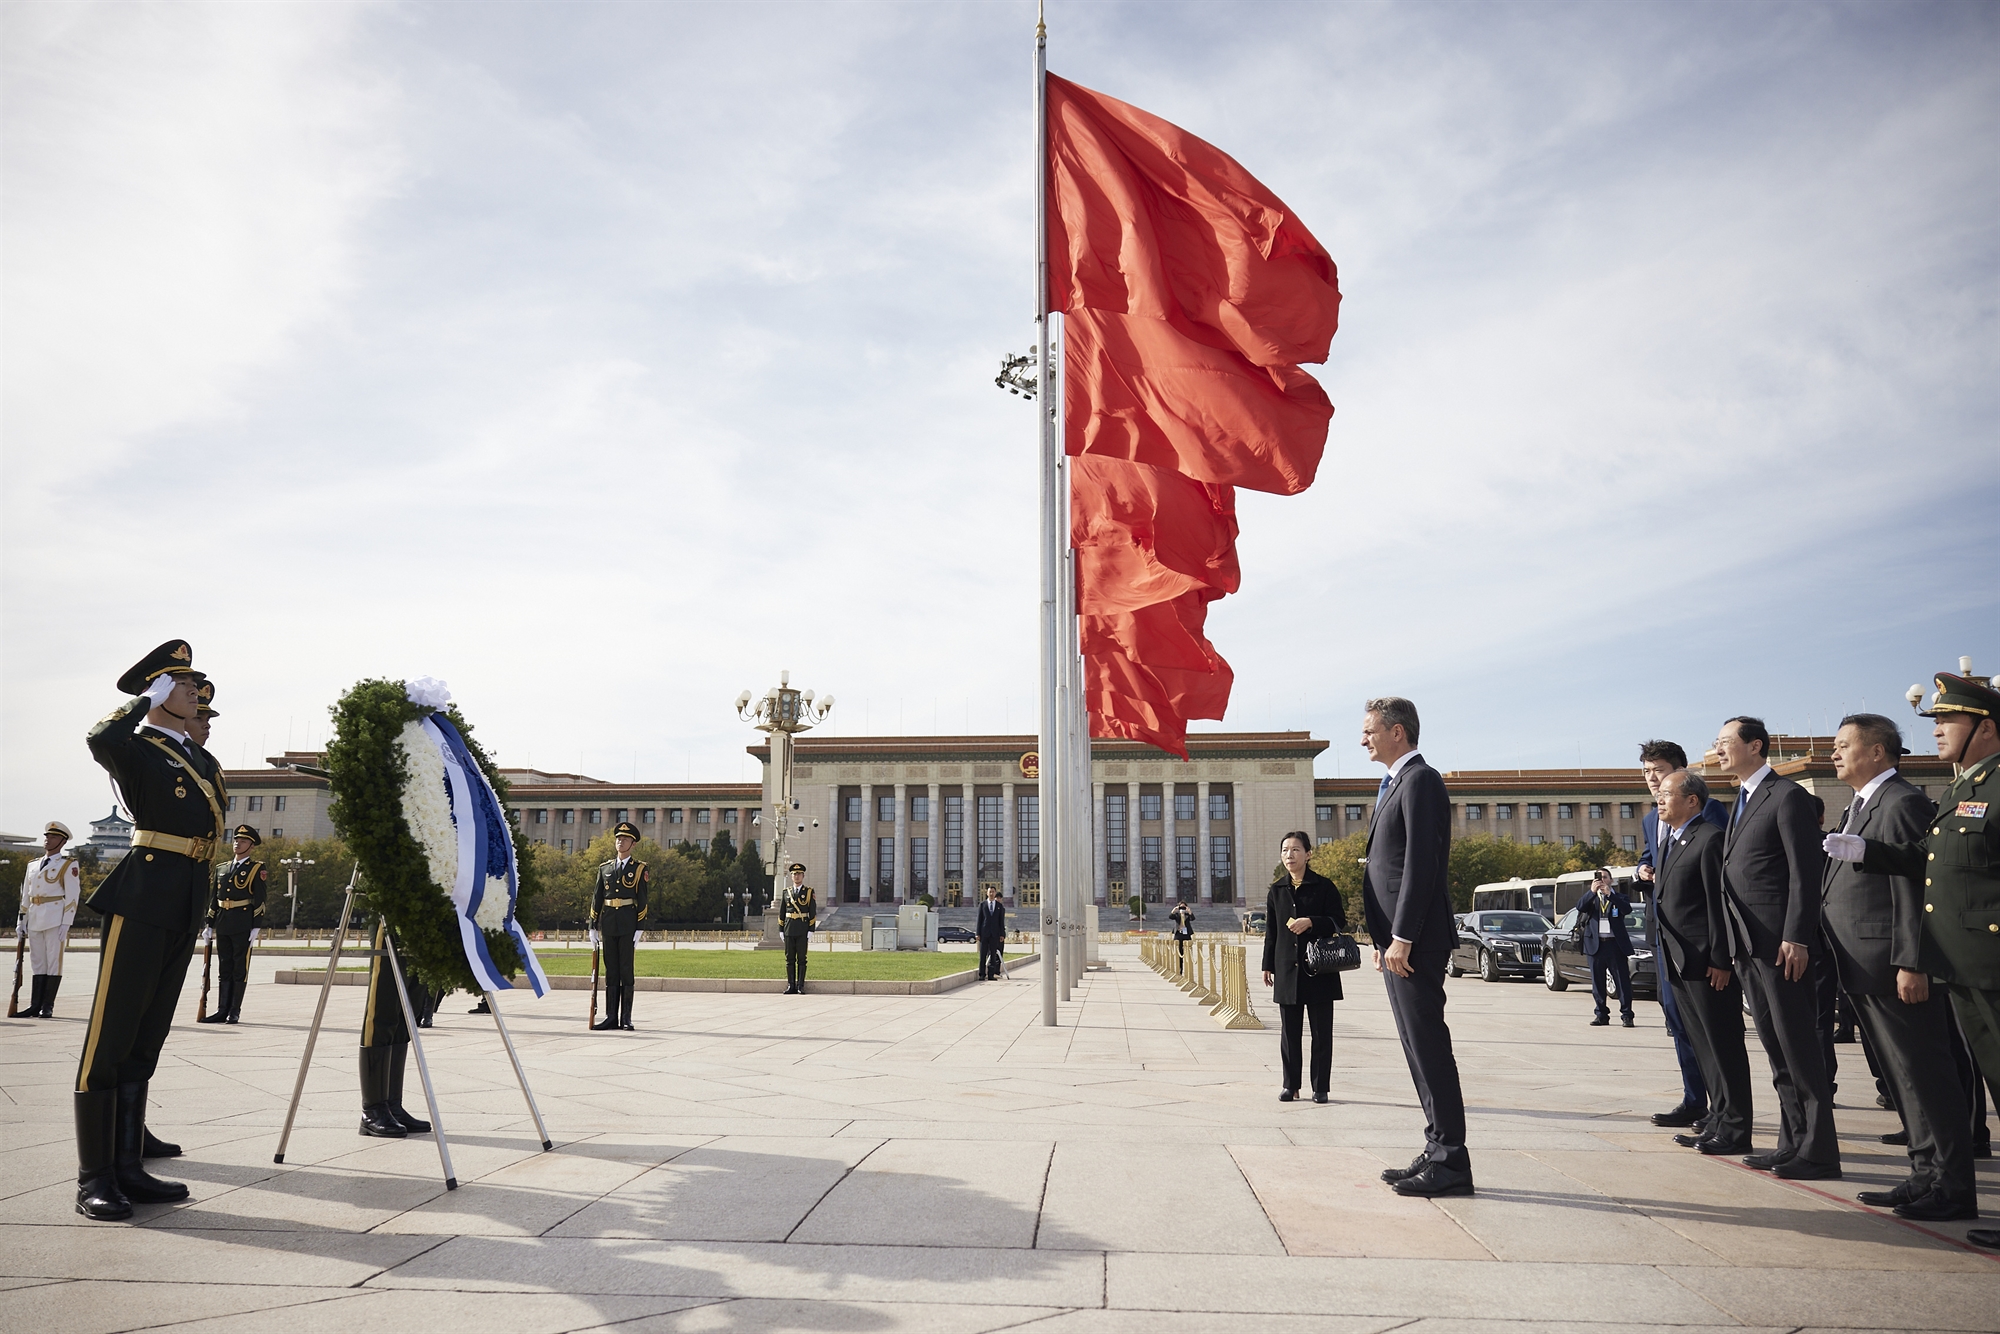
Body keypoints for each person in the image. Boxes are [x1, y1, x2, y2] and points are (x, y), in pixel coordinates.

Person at [1825, 668, 2000, 1249]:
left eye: (1948, 719)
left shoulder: (1908, 798)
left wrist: (1912, 959)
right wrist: (1865, 850)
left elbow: (1914, 896)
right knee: (1909, 1077)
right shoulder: (1959, 790)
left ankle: (1948, 1180)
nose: (1939, 729)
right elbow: (1930, 870)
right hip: (1945, 962)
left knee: (1930, 1075)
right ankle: (1930, 1176)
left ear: (1987, 726)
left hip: (1945, 961)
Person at [74, 640, 221, 1220]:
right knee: (110, 1038)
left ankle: (130, 1165)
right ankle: (95, 1178)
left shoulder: (198, 757)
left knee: (146, 1035)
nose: (195, 693)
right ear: (158, 690)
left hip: (184, 899)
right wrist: (140, 703)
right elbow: (100, 741)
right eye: (182, 686)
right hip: (143, 897)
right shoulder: (136, 748)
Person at [1715, 714, 1838, 1179]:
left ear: (1757, 746)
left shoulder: (1788, 797)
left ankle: (1820, 1151)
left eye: (1727, 742)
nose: (1720, 749)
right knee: (1776, 1048)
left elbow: (1805, 876)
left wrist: (1797, 936)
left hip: (1782, 946)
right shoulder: (1742, 801)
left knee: (1800, 1048)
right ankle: (1793, 1143)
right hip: (1749, 946)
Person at [1360, 696, 1472, 1197]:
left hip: (1415, 942)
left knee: (1429, 1047)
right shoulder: (1395, 784)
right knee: (1415, 1047)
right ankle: (1436, 1148)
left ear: (1397, 732)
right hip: (1396, 944)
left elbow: (1422, 864)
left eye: (1370, 731)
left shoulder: (1421, 780)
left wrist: (1402, 935)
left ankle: (1451, 1161)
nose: (1364, 739)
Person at [1653, 770, 1754, 1155]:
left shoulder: (1709, 839)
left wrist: (1721, 958)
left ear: (1692, 800)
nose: (1659, 800)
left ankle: (1736, 1127)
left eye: (1666, 794)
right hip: (1678, 961)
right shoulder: (1671, 842)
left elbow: (1718, 904)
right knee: (1703, 1046)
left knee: (1723, 1045)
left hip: (1707, 963)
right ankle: (1718, 1117)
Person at [1635, 739, 1730, 1129]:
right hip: (1663, 934)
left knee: (1708, 1027)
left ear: (1680, 771)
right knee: (1676, 1020)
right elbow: (1650, 856)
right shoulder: (1649, 818)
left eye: (1657, 770)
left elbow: (1719, 873)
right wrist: (1642, 870)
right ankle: (1695, 1099)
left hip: (1699, 938)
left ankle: (1725, 1107)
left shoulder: (1707, 811)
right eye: (1645, 772)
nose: (1651, 779)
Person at [1260, 831, 1347, 1104]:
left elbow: (1338, 921)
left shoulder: (1324, 886)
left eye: (1296, 849)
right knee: (1289, 1033)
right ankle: (1291, 1085)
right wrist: (1267, 965)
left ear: (1308, 854)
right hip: (1287, 969)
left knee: (1321, 1033)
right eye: (1285, 850)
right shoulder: (1277, 890)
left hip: (1320, 970)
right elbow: (1271, 932)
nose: (1290, 855)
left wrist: (1311, 921)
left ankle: (1320, 1087)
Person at [357, 918, 433, 1138]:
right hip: (389, 910)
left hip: (425, 913)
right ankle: (373, 1110)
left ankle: (392, 1106)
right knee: (384, 1005)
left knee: (408, 1011)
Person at [198, 824, 267, 1025]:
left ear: (251, 846)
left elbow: (260, 898)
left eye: (243, 841)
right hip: (223, 923)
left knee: (239, 969)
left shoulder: (256, 869)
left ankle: (234, 1011)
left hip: (243, 923)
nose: (238, 843)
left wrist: (256, 926)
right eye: (236, 840)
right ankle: (222, 1010)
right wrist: (209, 923)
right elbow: (214, 898)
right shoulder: (222, 868)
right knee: (224, 968)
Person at [16, 820, 81, 1019]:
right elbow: (25, 894)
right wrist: (21, 919)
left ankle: (47, 1006)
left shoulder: (68, 865)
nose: (47, 839)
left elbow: (73, 895)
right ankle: (35, 1005)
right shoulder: (33, 865)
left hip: (54, 916)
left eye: (52, 837)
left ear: (62, 842)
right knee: (37, 962)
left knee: (53, 962)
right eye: (46, 836)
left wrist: (66, 922)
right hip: (35, 916)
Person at [589, 821, 648, 1031]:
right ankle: (611, 1017)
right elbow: (597, 897)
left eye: (624, 839)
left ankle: (626, 1018)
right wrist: (592, 925)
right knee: (611, 970)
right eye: (618, 838)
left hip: (628, 923)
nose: (619, 842)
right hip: (609, 923)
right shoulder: (605, 868)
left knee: (626, 970)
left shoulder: (639, 869)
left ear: (633, 844)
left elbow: (642, 899)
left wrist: (640, 927)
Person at [1576, 868, 1635, 1027]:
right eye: (1598, 878)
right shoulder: (1592, 898)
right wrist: (1591, 892)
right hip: (1595, 945)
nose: (1601, 880)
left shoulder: (1619, 896)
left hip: (1615, 944)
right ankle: (1601, 1014)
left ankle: (1626, 1015)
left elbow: (1627, 909)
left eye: (1604, 877)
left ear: (1611, 880)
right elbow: (1580, 907)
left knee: (1622, 982)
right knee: (1598, 983)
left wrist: (1611, 895)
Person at [780, 862, 817, 994]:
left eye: (799, 874)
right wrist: (781, 929)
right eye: (794, 874)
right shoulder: (786, 892)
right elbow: (782, 912)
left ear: (803, 875)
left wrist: (811, 929)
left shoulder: (808, 892)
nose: (797, 876)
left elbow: (812, 911)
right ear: (791, 876)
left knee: (802, 958)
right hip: (789, 928)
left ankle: (800, 985)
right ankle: (791, 985)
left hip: (802, 928)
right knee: (789, 958)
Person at [976, 884, 1007, 981]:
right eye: (990, 892)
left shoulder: (999, 906)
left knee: (993, 955)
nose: (991, 893)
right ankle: (981, 974)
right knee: (983, 955)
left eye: (993, 892)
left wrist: (1002, 934)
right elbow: (979, 920)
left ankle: (991, 975)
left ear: (995, 893)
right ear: (987, 893)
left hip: (995, 934)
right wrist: (978, 933)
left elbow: (1001, 921)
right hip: (984, 933)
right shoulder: (982, 905)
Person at [1168, 899, 1195, 971]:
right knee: (1179, 952)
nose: (1182, 909)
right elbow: (1170, 917)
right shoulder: (1177, 915)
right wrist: (1174, 910)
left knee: (1188, 952)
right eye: (1181, 907)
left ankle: (1188, 969)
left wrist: (1190, 912)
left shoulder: (1187, 915)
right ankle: (1180, 969)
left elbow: (1193, 918)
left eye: (1184, 907)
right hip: (1179, 934)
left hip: (1186, 935)